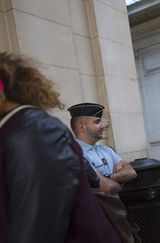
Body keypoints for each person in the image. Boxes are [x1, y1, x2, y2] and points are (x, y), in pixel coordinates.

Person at [0, 52, 120, 242]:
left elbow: (37, 224)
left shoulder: (35, 131)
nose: (103, 125)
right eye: (98, 121)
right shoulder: (17, 128)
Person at [68, 102, 137, 191]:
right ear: (82, 128)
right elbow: (106, 187)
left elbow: (131, 172)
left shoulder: (106, 150)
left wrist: (108, 178)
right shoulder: (75, 154)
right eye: (97, 122)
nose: (103, 125)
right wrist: (118, 178)